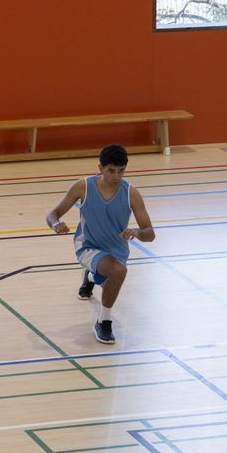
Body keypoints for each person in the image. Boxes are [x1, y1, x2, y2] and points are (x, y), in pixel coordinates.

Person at [46, 144, 155, 344]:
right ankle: (104, 322)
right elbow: (53, 214)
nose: (116, 176)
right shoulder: (82, 187)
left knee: (110, 280)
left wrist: (137, 232)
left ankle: (89, 276)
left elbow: (150, 234)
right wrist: (55, 224)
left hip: (116, 251)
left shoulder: (131, 193)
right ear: (100, 168)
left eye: (121, 171)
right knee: (118, 272)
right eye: (111, 170)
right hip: (88, 246)